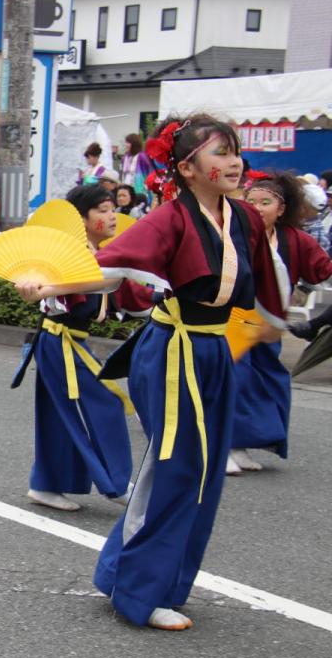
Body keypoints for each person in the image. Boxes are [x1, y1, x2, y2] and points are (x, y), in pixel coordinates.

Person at [16, 114, 288, 631]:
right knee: (175, 466)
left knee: (204, 472)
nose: (234, 162)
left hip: (213, 350)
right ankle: (138, 590)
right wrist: (46, 286)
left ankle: (145, 578)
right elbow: (108, 269)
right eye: (220, 153)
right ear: (187, 168)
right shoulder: (170, 218)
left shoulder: (243, 218)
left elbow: (263, 287)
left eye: (235, 152)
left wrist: (273, 323)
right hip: (173, 352)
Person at [19, 184, 144, 512]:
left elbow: (124, 292)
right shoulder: (68, 253)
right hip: (60, 340)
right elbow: (93, 282)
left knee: (57, 415)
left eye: (112, 208)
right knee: (107, 402)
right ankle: (117, 484)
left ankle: (45, 484)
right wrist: (38, 286)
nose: (112, 216)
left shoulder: (100, 254)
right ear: (81, 218)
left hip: (63, 340)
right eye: (102, 210)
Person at [227, 174, 332, 474]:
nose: (258, 208)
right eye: (251, 202)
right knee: (235, 380)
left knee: (271, 383)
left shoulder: (296, 240)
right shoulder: (233, 233)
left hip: (269, 325)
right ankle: (223, 447)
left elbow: (322, 269)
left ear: (281, 208)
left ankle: (241, 444)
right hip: (233, 320)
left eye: (266, 202)